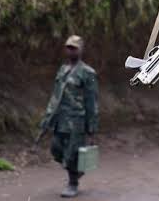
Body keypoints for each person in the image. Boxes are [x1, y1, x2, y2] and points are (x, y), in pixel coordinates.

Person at [39, 35, 99, 198]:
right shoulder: (62, 70)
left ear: (81, 50)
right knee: (56, 149)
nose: (71, 50)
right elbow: (55, 96)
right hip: (61, 120)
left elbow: (92, 101)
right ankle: (77, 170)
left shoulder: (88, 73)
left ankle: (73, 183)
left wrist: (91, 128)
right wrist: (47, 118)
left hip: (77, 121)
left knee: (72, 153)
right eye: (69, 47)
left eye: (74, 48)